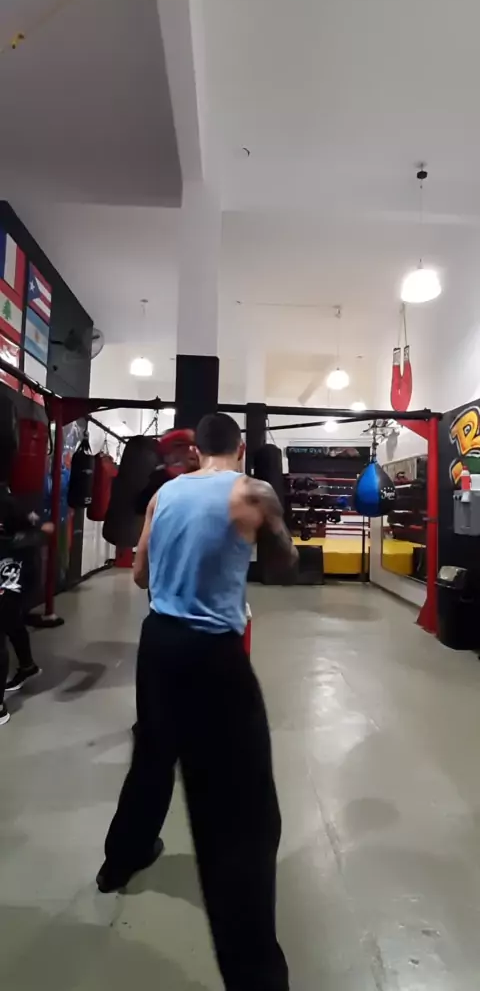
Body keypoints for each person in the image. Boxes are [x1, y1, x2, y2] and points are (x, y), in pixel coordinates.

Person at [97, 413, 298, 991]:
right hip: (214, 654)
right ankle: (255, 977)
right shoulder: (252, 492)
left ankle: (120, 860)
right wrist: (265, 529)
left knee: (152, 757)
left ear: (196, 449)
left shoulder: (164, 495)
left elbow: (139, 577)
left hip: (158, 646)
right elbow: (283, 568)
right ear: (241, 449)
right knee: (242, 811)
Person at [0, 481, 54, 726]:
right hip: (11, 566)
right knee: (11, 622)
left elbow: (43, 528)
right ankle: (27, 666)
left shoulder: (8, 502)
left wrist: (12, 541)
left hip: (12, 570)